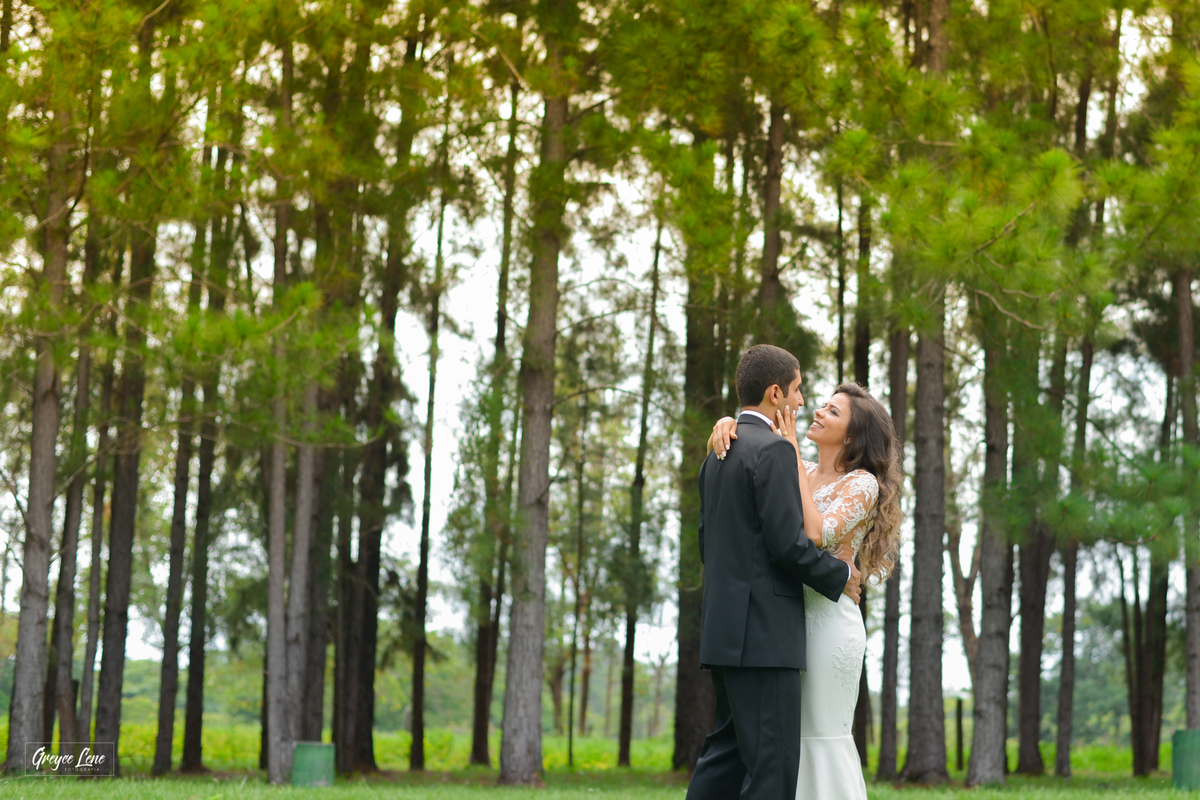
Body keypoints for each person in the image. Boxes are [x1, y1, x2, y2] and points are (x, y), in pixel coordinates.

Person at [707, 380, 903, 800]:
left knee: (818, 737)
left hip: (829, 626)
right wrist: (727, 423)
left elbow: (815, 533)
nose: (817, 411)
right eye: (823, 405)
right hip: (782, 623)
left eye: (833, 412)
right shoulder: (798, 466)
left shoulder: (862, 484)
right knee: (777, 744)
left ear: (851, 434)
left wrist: (791, 447)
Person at [684, 344, 862, 800]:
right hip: (766, 639)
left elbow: (710, 543)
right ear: (776, 392)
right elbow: (788, 545)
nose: (803, 402)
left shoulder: (718, 453)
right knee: (772, 771)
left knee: (723, 757)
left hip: (725, 633)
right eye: (799, 391)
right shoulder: (775, 452)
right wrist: (838, 576)